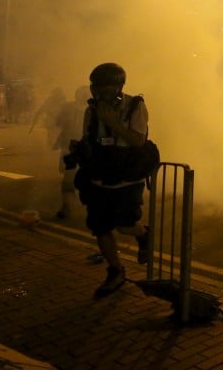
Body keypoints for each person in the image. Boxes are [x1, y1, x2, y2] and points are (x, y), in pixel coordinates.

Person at [70, 62, 151, 298]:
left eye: (105, 89)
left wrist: (114, 123)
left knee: (125, 226)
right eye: (96, 88)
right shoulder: (91, 111)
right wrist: (80, 148)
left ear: (118, 88)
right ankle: (115, 271)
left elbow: (138, 140)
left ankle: (143, 234)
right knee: (100, 228)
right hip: (99, 178)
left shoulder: (135, 106)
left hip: (126, 179)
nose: (99, 94)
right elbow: (90, 139)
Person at [53, 86, 90, 220]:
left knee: (70, 180)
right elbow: (58, 122)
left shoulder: (95, 109)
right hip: (72, 148)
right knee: (68, 179)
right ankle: (67, 207)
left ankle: (68, 208)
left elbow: (58, 123)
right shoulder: (70, 107)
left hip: (83, 150)